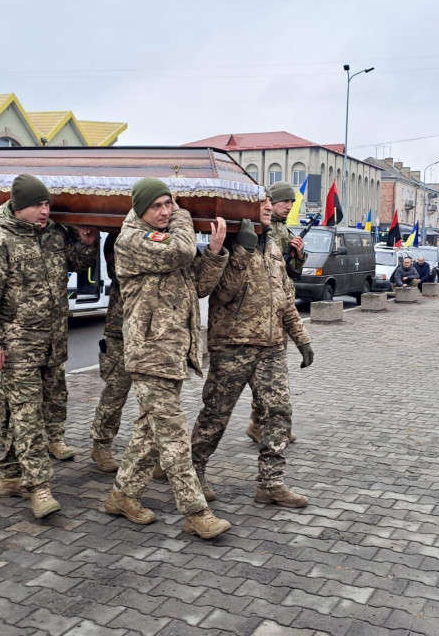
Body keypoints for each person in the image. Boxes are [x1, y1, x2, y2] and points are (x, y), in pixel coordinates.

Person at [103, 177, 232, 539]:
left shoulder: (168, 239)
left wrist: (216, 252)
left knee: (150, 429)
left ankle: (122, 495)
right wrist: (185, 216)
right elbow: (178, 252)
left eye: (168, 203)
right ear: (140, 209)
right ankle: (195, 512)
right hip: (149, 351)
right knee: (173, 435)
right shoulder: (132, 239)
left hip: (171, 349)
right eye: (157, 206)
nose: (166, 211)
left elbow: (198, 286)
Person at [0, 174, 97, 517]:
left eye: (47, 204)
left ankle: (9, 475)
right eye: (38, 205)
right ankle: (38, 486)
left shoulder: (54, 234)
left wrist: (86, 243)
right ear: (18, 205)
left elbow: (78, 264)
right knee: (27, 416)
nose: (45, 210)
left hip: (53, 342)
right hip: (17, 346)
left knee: (28, 410)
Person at [191, 195, 313, 509]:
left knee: (279, 413)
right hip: (232, 346)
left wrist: (302, 339)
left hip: (271, 347)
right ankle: (193, 471)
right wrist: (241, 250)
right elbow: (220, 291)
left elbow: (284, 298)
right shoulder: (229, 244)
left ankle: (270, 484)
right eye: (261, 204)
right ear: (244, 210)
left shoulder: (273, 246)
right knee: (215, 416)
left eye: (271, 203)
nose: (269, 208)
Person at [245, 181, 303, 446]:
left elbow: (291, 273)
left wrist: (299, 255)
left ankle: (266, 423)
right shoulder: (268, 231)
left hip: (283, 307)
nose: (289, 206)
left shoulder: (283, 228)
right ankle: (261, 423)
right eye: (284, 202)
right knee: (269, 376)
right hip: (268, 312)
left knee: (275, 375)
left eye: (290, 203)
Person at [89, 233, 133, 473]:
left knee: (157, 398)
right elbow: (124, 272)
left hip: (155, 332)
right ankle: (101, 444)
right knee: (116, 391)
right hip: (122, 328)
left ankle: (157, 450)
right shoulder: (119, 235)